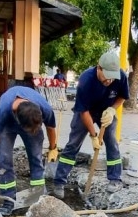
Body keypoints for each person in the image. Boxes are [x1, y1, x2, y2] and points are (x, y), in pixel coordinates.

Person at [52, 49, 129, 198]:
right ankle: (59, 181)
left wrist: (112, 110)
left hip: (106, 111)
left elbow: (122, 96)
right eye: (107, 77)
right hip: (87, 111)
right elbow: (83, 111)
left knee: (112, 141)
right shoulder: (86, 79)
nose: (109, 81)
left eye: (112, 78)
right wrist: (93, 136)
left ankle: (115, 179)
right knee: (73, 143)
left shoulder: (121, 76)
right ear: (99, 68)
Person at [0, 85, 59, 215]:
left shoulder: (45, 109)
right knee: (4, 160)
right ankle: (8, 200)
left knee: (36, 158)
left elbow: (51, 129)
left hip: (30, 121)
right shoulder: (2, 112)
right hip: (7, 125)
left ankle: (38, 197)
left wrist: (53, 147)